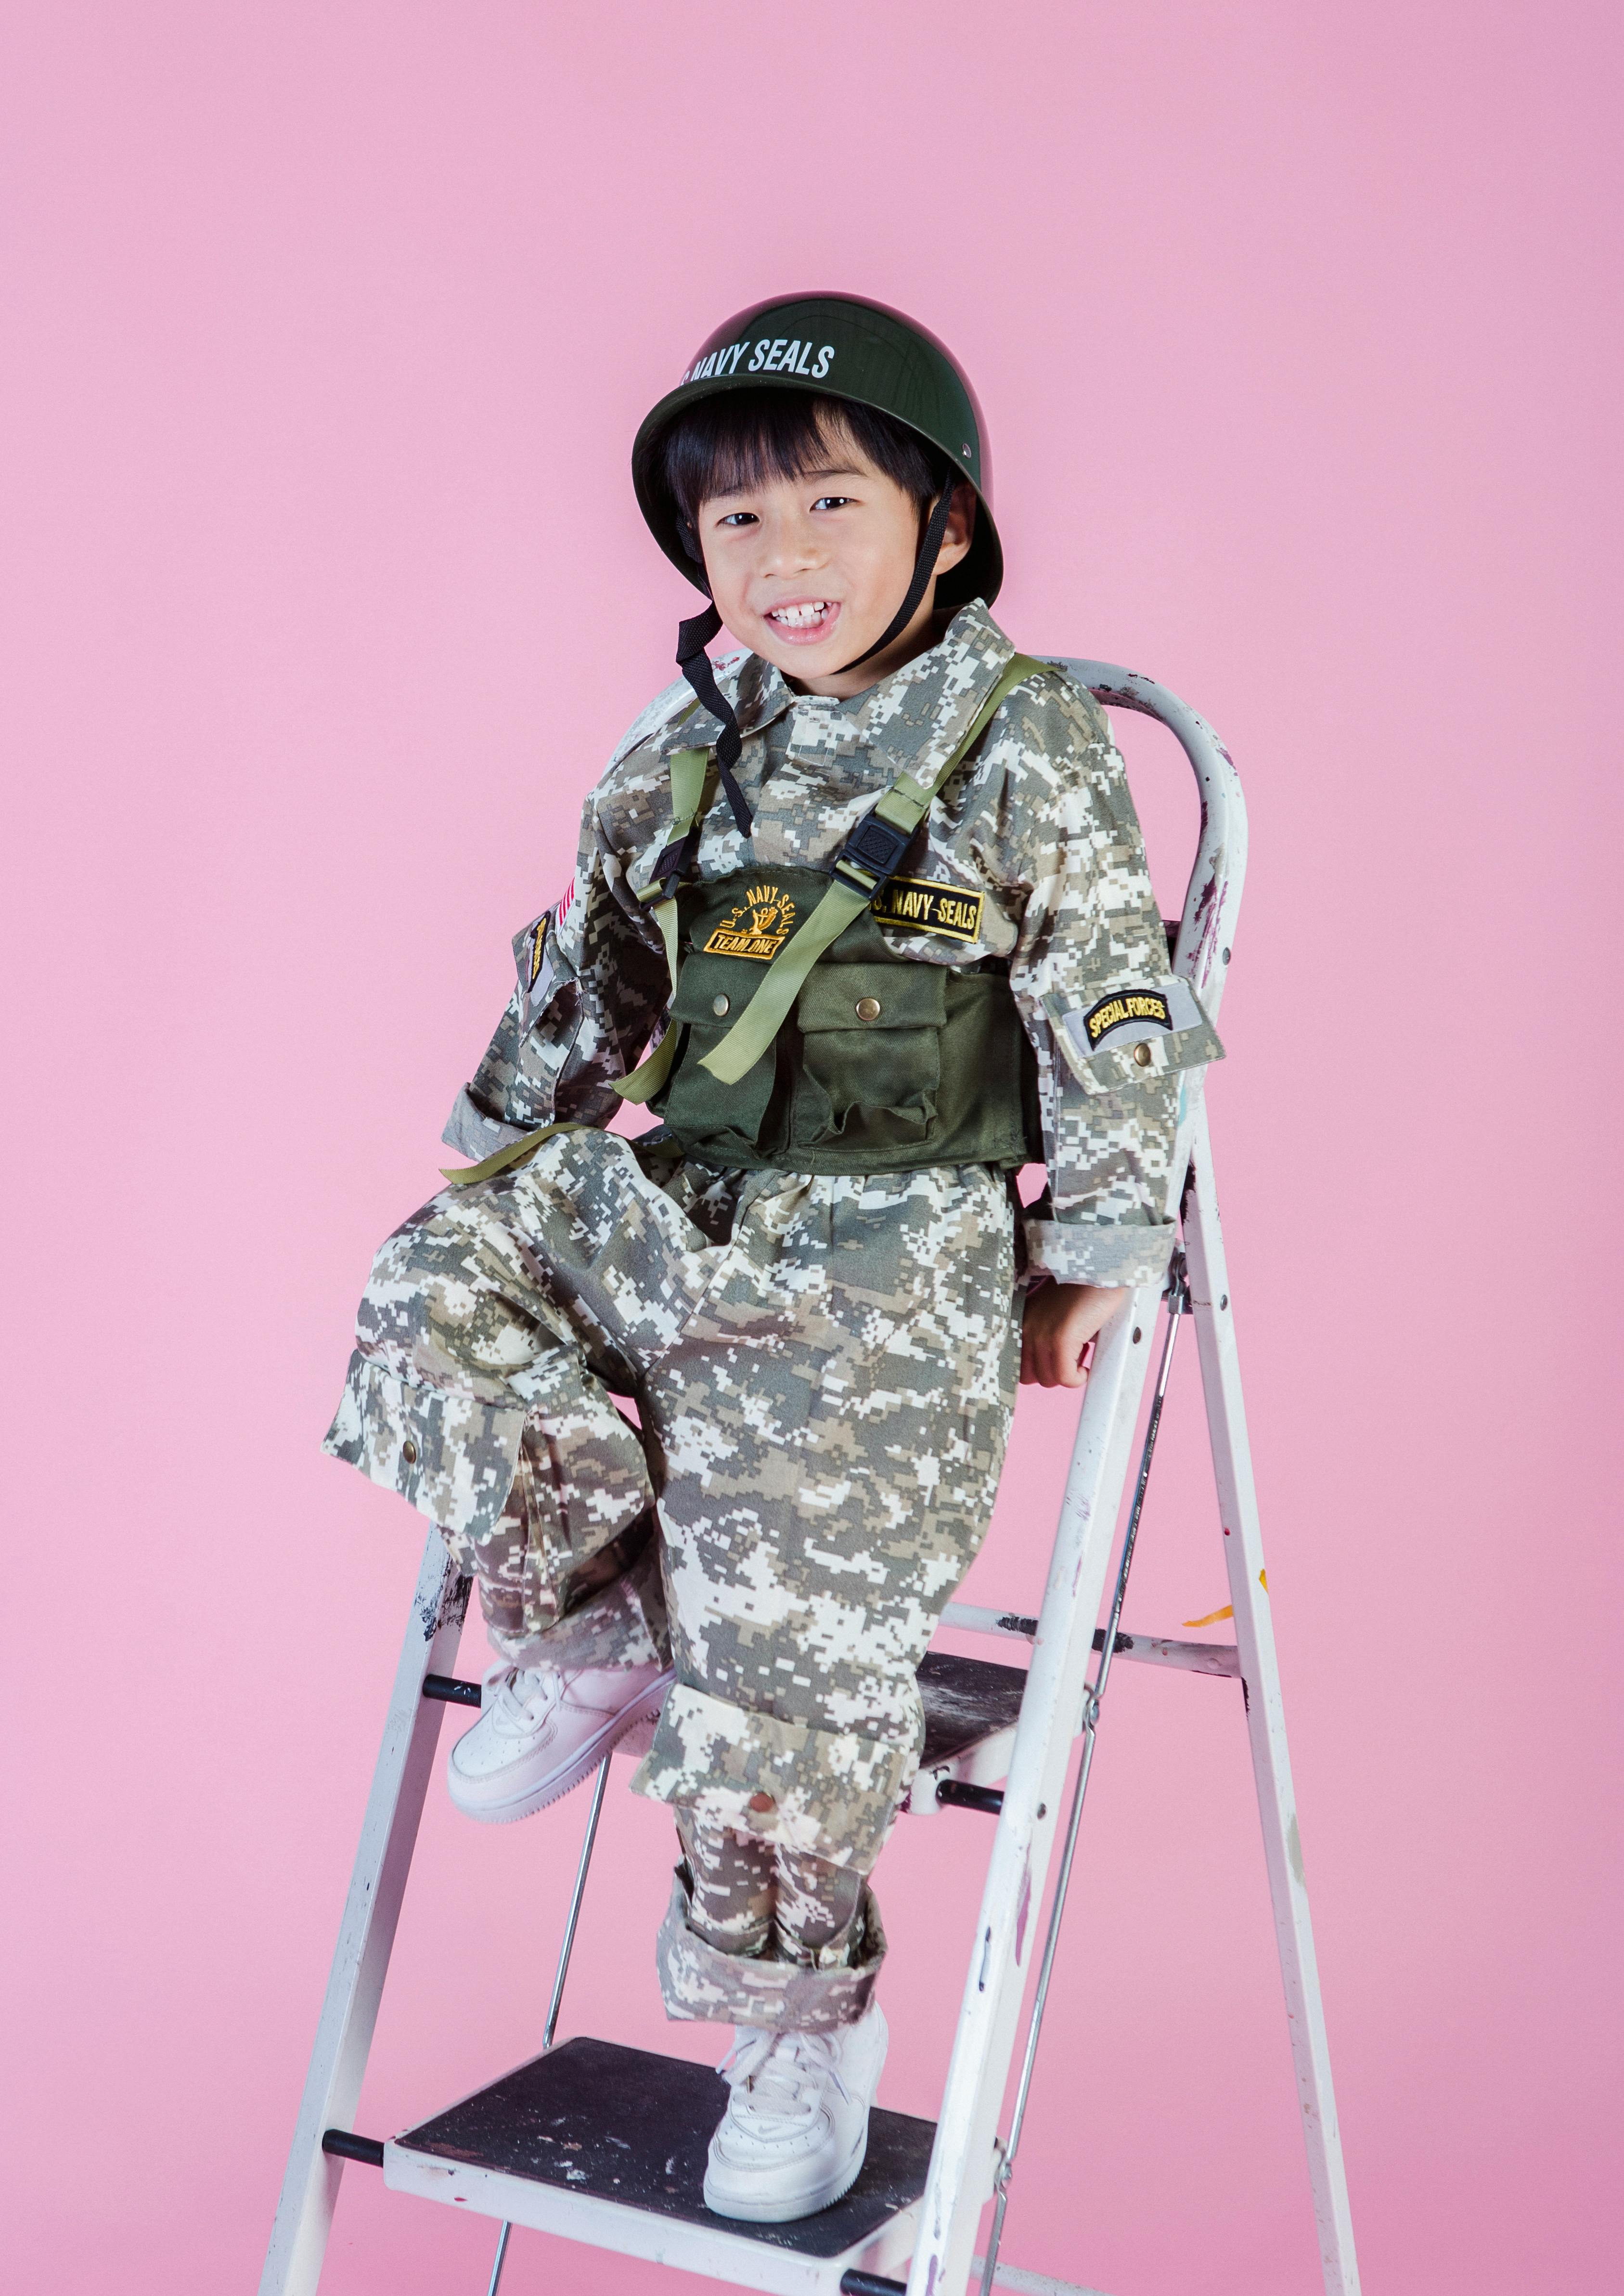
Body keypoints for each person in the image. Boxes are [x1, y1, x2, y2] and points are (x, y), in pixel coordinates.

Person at [323, 293, 1221, 2224]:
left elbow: (1104, 1001)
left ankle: (789, 2028)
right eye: (737, 527)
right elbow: (600, 951)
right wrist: (511, 1122)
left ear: (945, 527)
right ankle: (580, 1619)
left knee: (776, 1670)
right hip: (702, 1202)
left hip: (883, 1277)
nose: (781, 563)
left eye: (825, 507)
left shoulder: (1020, 742)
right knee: (434, 1282)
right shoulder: (691, 731)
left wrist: (1094, 1253)